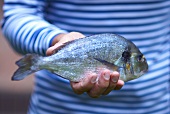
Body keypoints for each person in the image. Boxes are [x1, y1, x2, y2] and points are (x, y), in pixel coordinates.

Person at [2, 0, 170, 114]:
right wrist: (57, 41)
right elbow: (17, 15)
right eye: (138, 59)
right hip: (58, 107)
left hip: (155, 107)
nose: (141, 62)